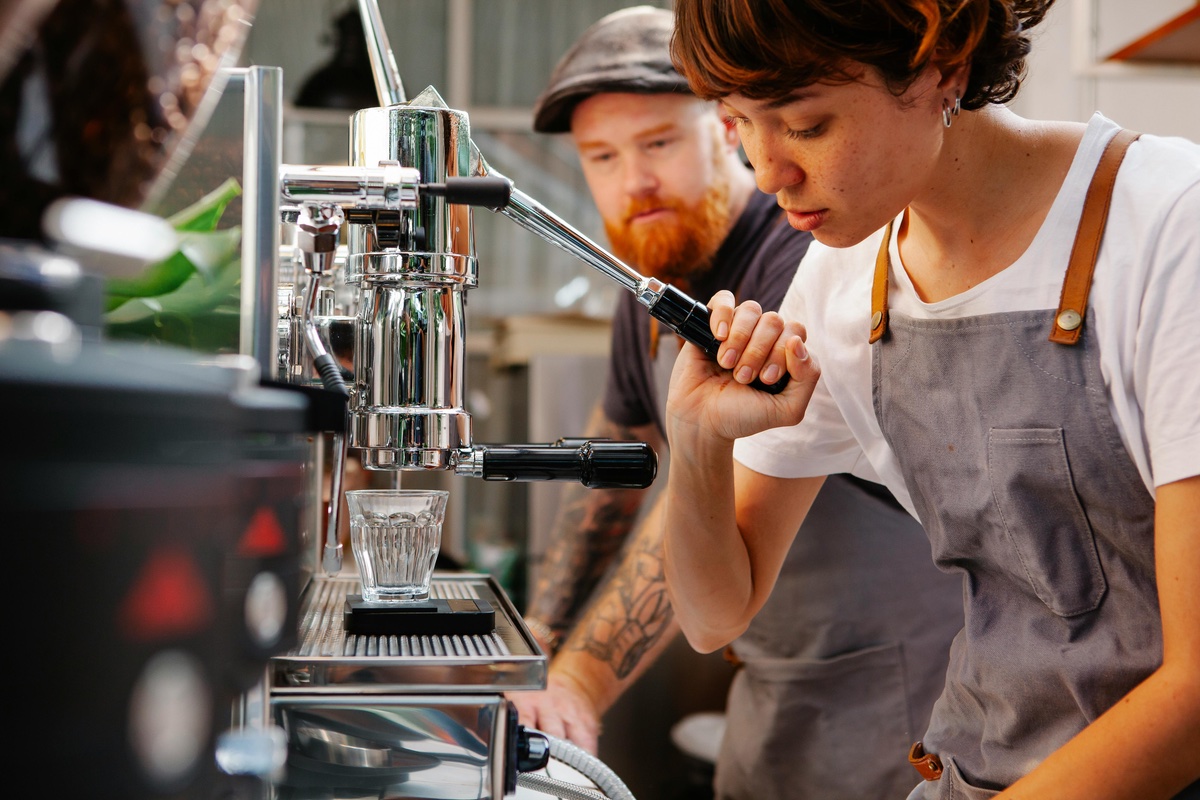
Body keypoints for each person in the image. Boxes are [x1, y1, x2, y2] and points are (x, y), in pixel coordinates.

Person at [659, 1, 1200, 799]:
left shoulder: (1167, 223)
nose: (768, 171)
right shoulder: (848, 275)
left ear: (944, 63)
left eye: (805, 125)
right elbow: (715, 615)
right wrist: (698, 441)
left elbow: (1192, 695)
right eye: (738, 122)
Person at [510, 7, 965, 799]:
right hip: (773, 667)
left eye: (657, 143)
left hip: (898, 680)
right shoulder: (654, 268)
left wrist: (579, 684)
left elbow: (686, 490)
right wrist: (538, 639)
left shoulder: (803, 253)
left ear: (728, 130)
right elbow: (613, 482)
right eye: (602, 156)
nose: (634, 181)